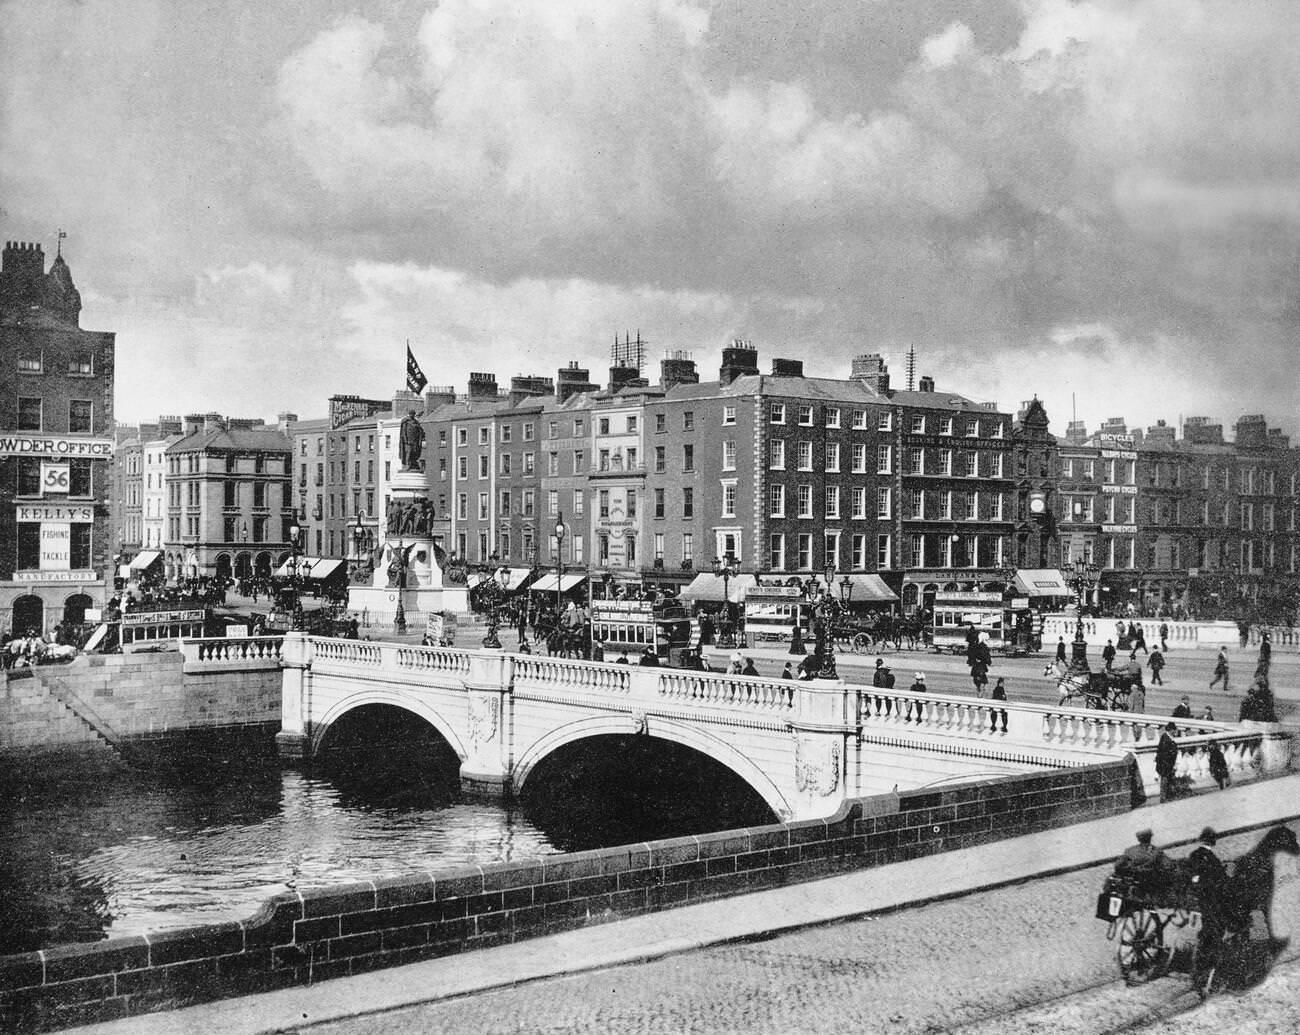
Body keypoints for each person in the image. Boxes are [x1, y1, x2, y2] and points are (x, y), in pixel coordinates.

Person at [1187, 826, 1230, 991]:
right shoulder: (1212, 859)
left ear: (1201, 840)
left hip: (1193, 896)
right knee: (1216, 929)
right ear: (1213, 842)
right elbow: (1222, 880)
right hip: (1208, 901)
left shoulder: (1193, 855)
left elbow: (1189, 873)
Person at [1113, 829, 1174, 899]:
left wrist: (1132, 869)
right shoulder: (1156, 851)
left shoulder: (1130, 851)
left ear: (1138, 839)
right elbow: (1169, 865)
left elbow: (1118, 866)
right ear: (1150, 838)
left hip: (1136, 882)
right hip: (1153, 885)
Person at [1155, 722, 1179, 801]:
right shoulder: (1166, 738)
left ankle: (1165, 796)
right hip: (1165, 763)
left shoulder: (1166, 737)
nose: (1175, 731)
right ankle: (1164, 797)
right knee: (1165, 780)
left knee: (1166, 780)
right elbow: (1165, 752)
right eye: (1174, 730)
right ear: (1171, 730)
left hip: (1166, 763)